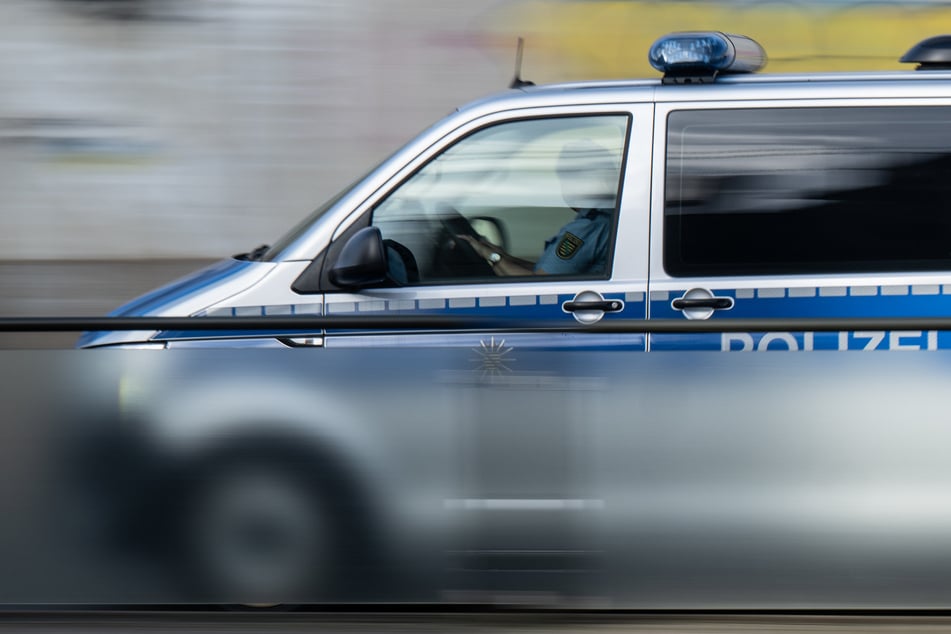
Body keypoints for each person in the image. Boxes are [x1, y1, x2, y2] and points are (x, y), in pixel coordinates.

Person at [458, 139, 618, 276]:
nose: (566, 187)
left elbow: (540, 283)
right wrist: (503, 257)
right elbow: (549, 270)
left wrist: (490, 256)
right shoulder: (607, 219)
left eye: (568, 177)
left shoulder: (586, 229)